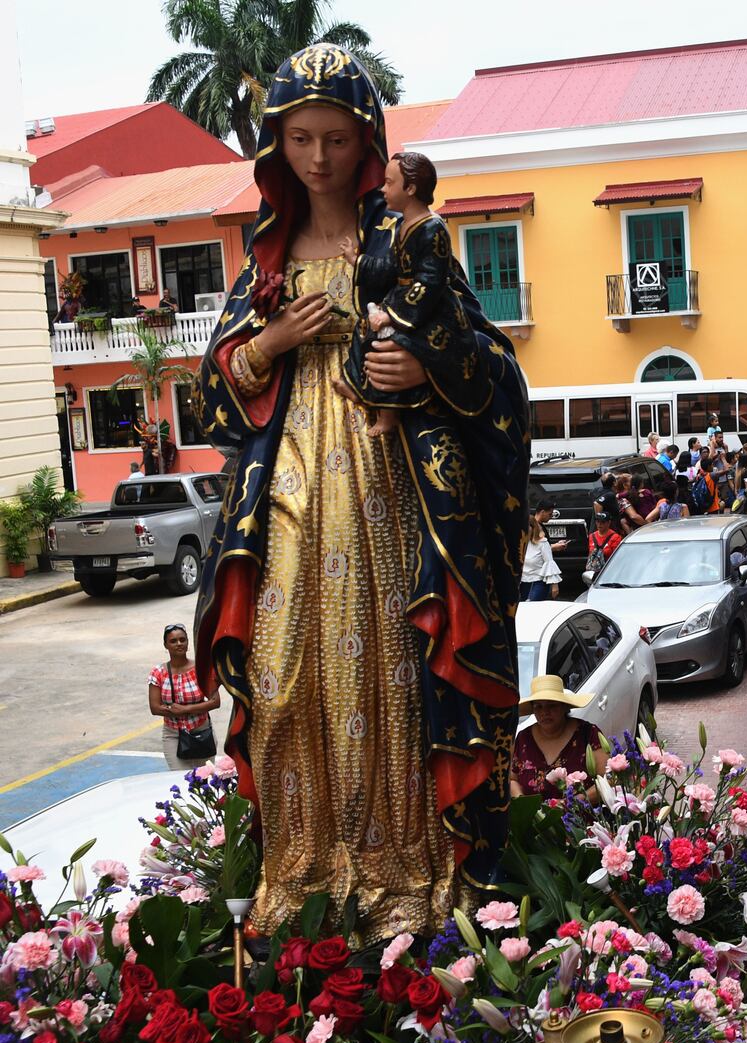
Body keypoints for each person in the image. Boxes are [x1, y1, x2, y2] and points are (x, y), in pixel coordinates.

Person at [193, 45, 528, 942]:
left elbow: (493, 367)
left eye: (335, 138)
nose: (317, 158)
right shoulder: (266, 256)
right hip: (287, 488)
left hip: (391, 485)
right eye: (299, 138)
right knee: (282, 671)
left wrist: (424, 367)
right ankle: (299, 872)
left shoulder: (405, 242)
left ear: (368, 141)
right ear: (276, 147)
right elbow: (212, 393)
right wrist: (264, 350)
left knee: (394, 668)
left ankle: (399, 871)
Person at [337, 151, 459, 438]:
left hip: (431, 309)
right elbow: (392, 266)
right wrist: (359, 261)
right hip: (402, 297)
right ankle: (358, 386)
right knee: (365, 328)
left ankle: (388, 413)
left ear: (411, 189)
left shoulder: (433, 229)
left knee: (389, 342)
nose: (382, 189)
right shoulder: (403, 226)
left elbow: (430, 282)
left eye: (389, 183)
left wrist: (391, 315)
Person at [509, 675, 609, 798]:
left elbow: (608, 780)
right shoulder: (523, 739)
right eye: (538, 707)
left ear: (564, 706)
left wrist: (575, 802)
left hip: (581, 814)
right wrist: (524, 803)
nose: (544, 712)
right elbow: (512, 779)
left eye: (551, 705)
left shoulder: (588, 734)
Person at [148, 623, 221, 771]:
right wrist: (188, 709)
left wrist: (184, 710)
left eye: (182, 640)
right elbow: (155, 708)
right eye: (173, 641)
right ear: (165, 645)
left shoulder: (201, 669)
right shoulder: (158, 673)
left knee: (206, 781)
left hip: (202, 732)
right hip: (174, 735)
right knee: (181, 779)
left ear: (188, 642)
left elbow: (215, 701)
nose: (179, 644)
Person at [522, 505, 565, 600]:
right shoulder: (521, 543)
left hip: (538, 581)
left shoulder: (543, 543)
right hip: (523, 581)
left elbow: (550, 563)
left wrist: (555, 585)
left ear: (532, 528)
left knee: (533, 606)